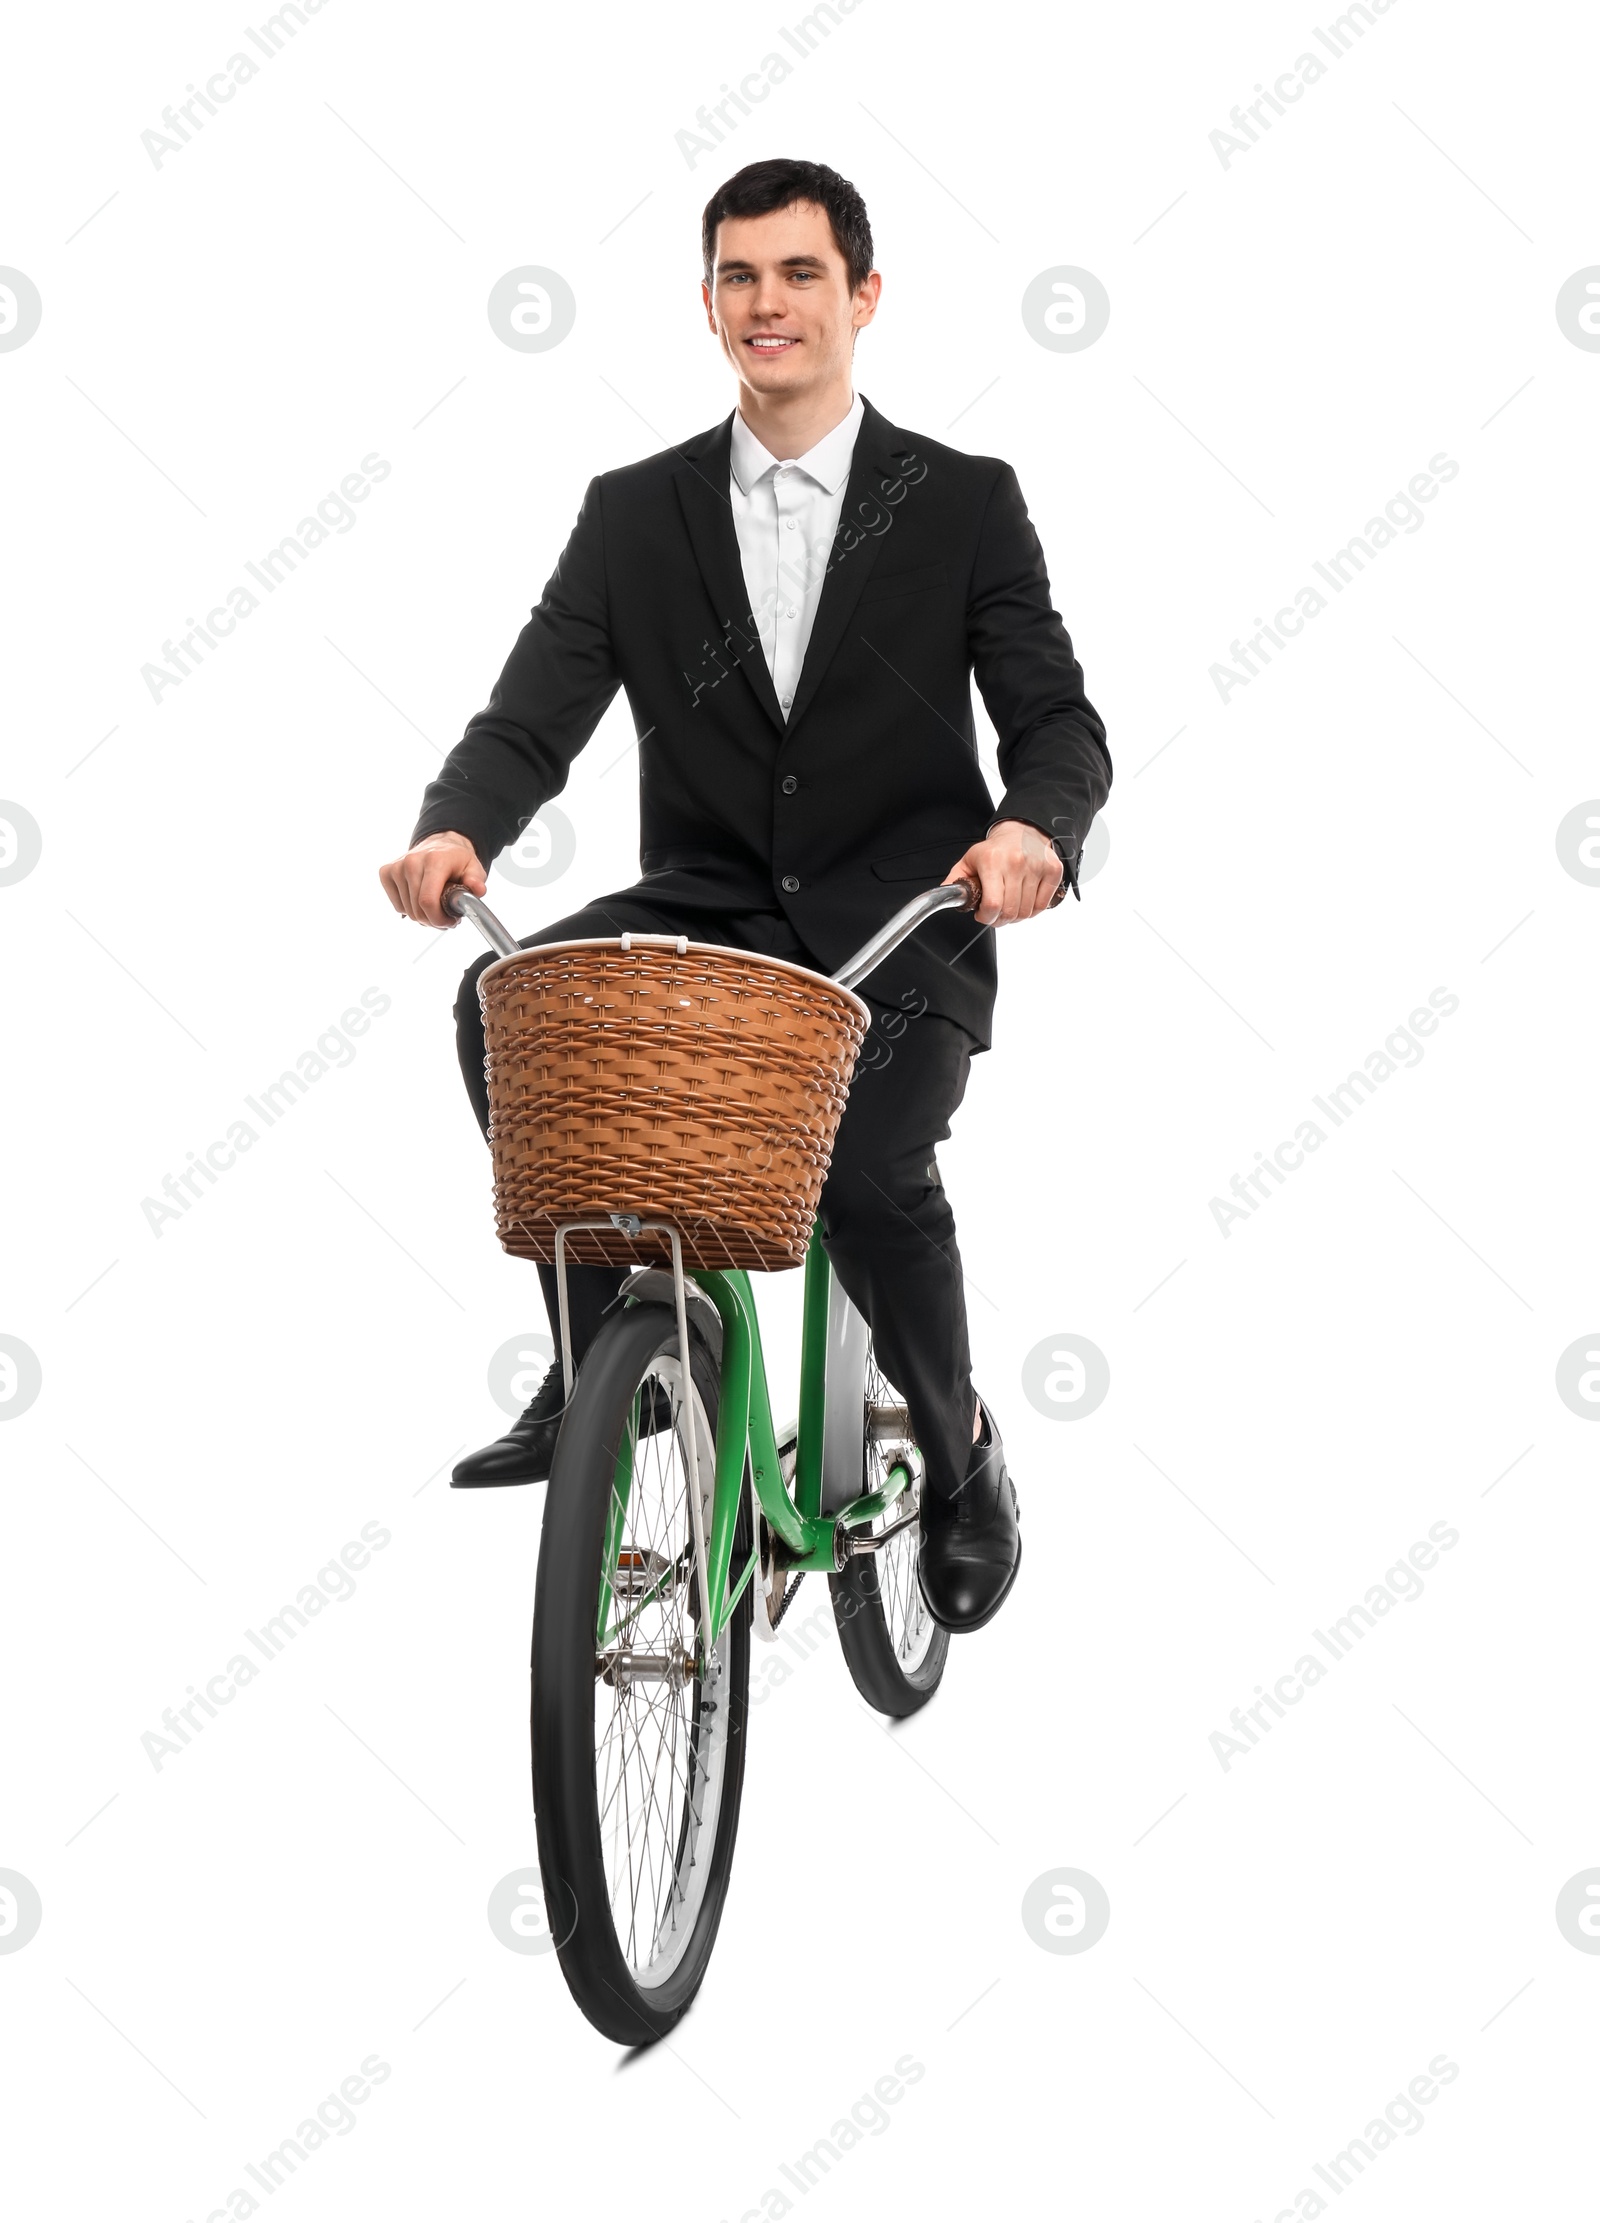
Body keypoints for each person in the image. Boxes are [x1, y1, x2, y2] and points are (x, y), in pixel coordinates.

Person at [378, 158, 1109, 1634]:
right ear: (707, 302)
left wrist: (1035, 825)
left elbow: (1056, 720)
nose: (766, 304)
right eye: (738, 277)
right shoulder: (636, 512)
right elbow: (533, 716)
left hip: (909, 923)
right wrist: (456, 829)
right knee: (505, 1005)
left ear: (864, 297)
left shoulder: (961, 504)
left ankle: (961, 1459)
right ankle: (613, 1375)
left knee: (860, 1172)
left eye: (799, 274)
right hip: (710, 910)